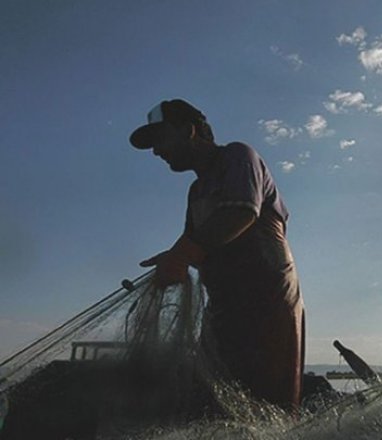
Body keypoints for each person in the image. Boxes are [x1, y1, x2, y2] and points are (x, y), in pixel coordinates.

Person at [129, 99, 304, 414]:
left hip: (268, 304)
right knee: (214, 402)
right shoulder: (196, 191)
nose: (156, 151)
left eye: (160, 139)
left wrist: (182, 255)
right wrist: (171, 260)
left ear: (188, 130)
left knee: (268, 405)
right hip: (223, 308)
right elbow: (192, 243)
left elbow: (241, 211)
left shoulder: (238, 156)